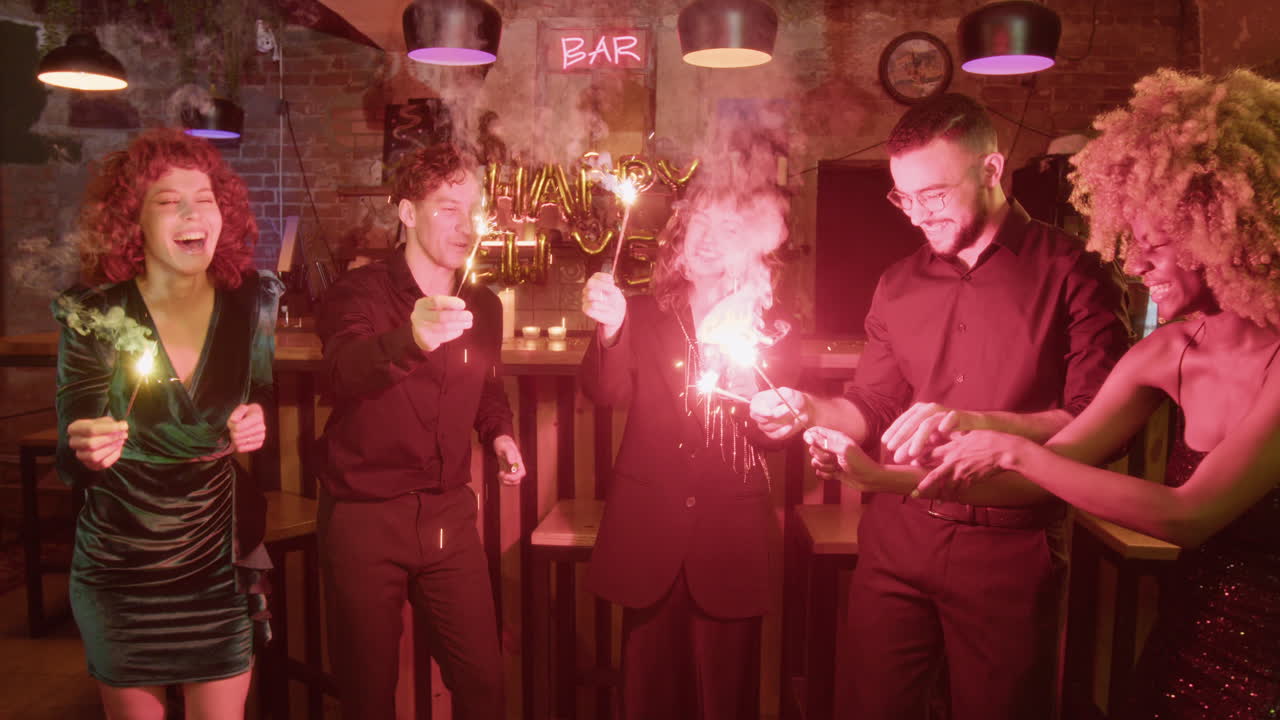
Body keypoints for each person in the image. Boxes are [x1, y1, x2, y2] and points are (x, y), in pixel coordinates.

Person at [750, 93, 1130, 720]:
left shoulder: (1075, 272)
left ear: (991, 170)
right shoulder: (898, 283)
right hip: (898, 535)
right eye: (904, 197)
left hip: (1010, 546)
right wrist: (809, 412)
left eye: (934, 194)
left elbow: (1097, 425)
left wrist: (981, 423)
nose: (918, 214)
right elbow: (872, 405)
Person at [920, 68, 1280, 719]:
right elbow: (1049, 475)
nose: (1136, 265)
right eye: (1132, 242)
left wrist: (1018, 451)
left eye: (1157, 245)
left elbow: (1188, 515)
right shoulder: (1165, 354)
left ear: (1227, 228)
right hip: (1183, 647)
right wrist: (882, 475)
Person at [53, 128, 281, 719]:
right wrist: (83, 442)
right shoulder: (97, 313)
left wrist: (256, 422)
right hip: (121, 569)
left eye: (204, 198)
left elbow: (258, 394)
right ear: (134, 221)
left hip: (216, 567)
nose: (190, 212)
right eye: (166, 200)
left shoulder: (251, 299)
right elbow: (69, 436)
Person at [315, 142, 524, 719]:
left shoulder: (483, 302)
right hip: (364, 515)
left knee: (483, 684)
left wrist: (499, 433)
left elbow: (486, 389)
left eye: (473, 208)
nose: (466, 224)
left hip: (448, 515)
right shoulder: (356, 293)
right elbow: (340, 374)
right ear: (407, 212)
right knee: (369, 693)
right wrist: (413, 338)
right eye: (448, 207)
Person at [580, 183, 796, 720]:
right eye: (699, 224)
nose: (708, 239)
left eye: (727, 229)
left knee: (724, 700)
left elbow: (775, 436)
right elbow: (605, 395)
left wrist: (763, 404)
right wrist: (608, 332)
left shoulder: (769, 327)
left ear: (751, 246)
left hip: (729, 540)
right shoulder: (642, 313)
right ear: (679, 238)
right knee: (646, 698)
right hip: (650, 535)